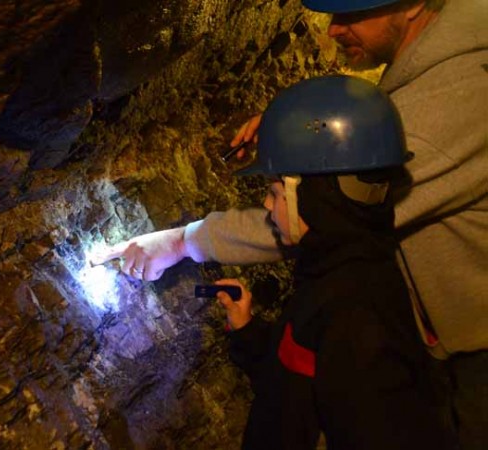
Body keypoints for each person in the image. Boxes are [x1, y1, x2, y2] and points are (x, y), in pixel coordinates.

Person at [93, 0, 487, 447]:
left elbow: (330, 211)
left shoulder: (462, 97)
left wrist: (184, 241)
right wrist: (298, 128)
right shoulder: (428, 66)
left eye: (352, 13)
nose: (334, 29)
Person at [210, 74, 453, 450]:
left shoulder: (357, 320)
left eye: (275, 192)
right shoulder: (334, 278)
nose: (267, 205)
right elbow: (298, 389)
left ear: (316, 201)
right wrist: (247, 332)